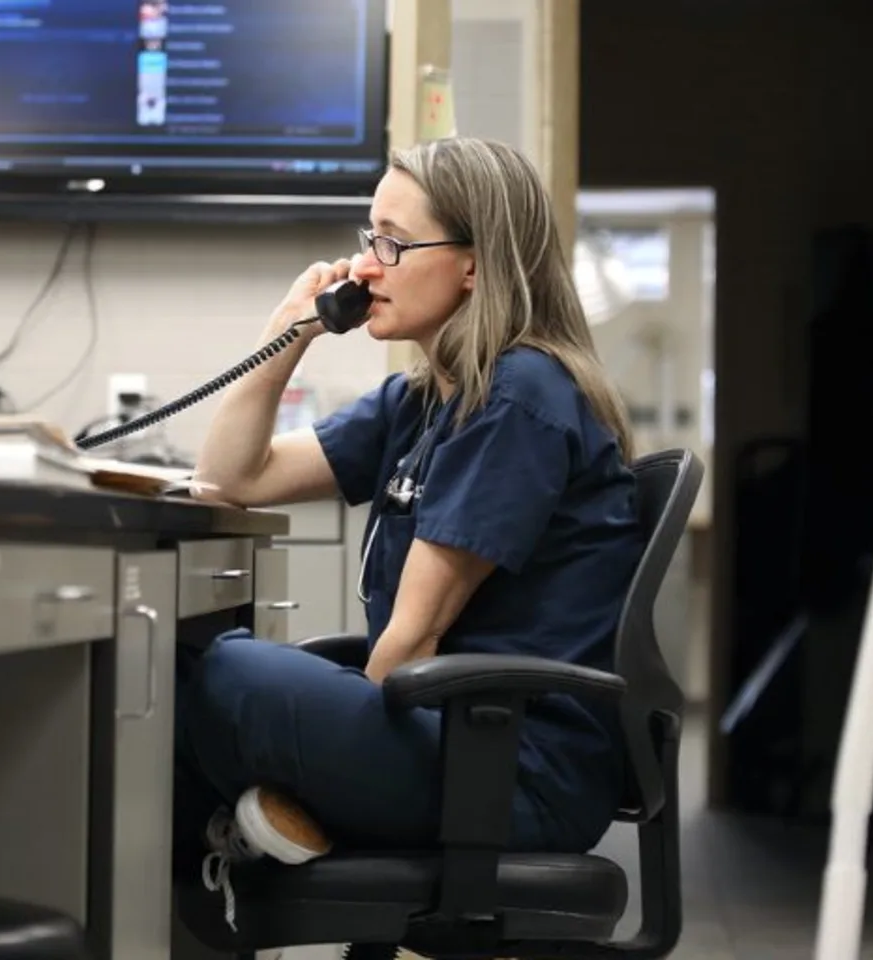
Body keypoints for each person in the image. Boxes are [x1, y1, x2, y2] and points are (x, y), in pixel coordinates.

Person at [177, 136, 644, 927]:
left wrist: (322, 753)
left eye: (392, 243)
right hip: (454, 741)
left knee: (224, 675)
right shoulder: (426, 399)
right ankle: (245, 850)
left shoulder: (518, 397)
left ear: (473, 263)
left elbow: (409, 644)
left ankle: (259, 842)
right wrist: (286, 336)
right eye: (368, 240)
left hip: (509, 770)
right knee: (203, 672)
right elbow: (233, 480)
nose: (365, 267)